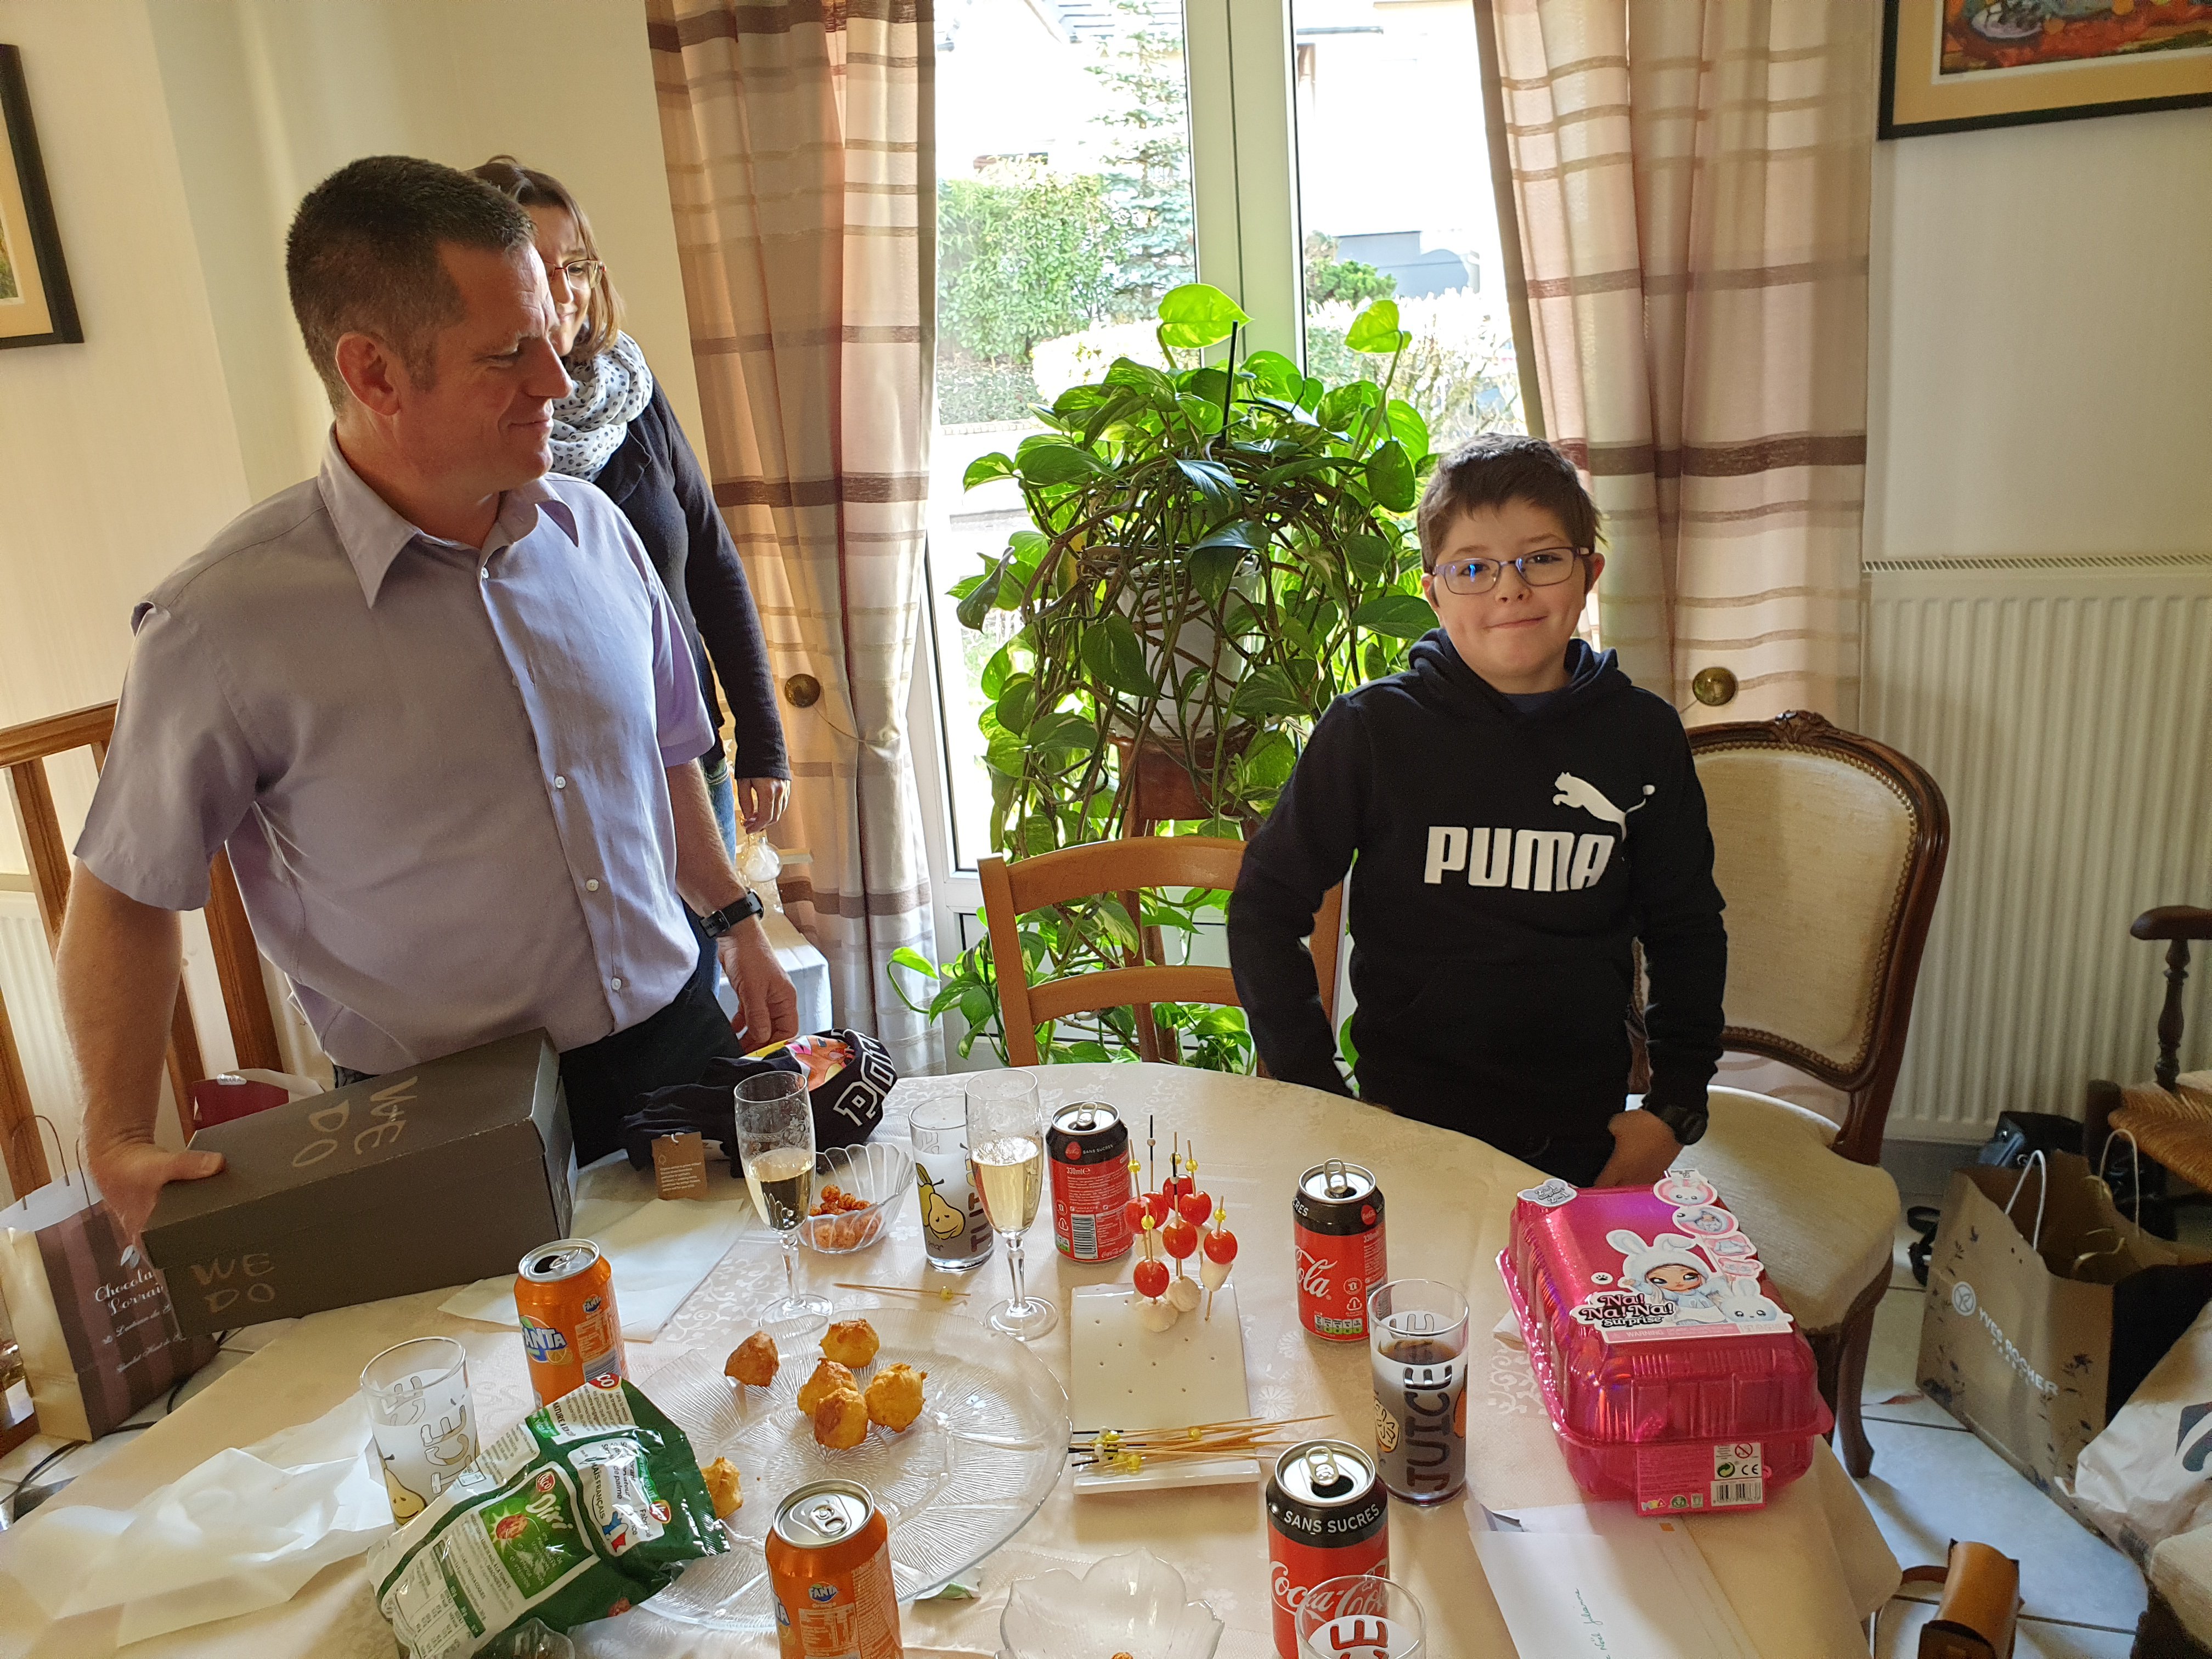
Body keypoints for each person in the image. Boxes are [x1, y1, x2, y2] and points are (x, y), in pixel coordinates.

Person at [59, 156, 800, 1239]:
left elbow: (668, 748)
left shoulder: (594, 532)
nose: (556, 379)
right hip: (446, 1121)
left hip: (676, 1045)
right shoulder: (219, 623)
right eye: (508, 354)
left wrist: (735, 921)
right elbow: (126, 888)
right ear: (374, 374)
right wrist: (117, 1130)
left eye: (548, 333)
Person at [1226, 435, 1726, 1188]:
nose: (1510, 589)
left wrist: (1676, 1107)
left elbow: (1687, 928)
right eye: (1473, 567)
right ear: (1433, 592)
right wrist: (1322, 1097)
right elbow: (1264, 908)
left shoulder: (1643, 736)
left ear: (1589, 573)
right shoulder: (1371, 731)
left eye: (1542, 558)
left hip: (1585, 1135)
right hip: (1403, 1127)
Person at [471, 156, 786, 857]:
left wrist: (762, 738)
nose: (565, 292)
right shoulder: (477, 434)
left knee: (718, 927)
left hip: (691, 764)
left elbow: (711, 561)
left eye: (575, 266)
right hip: (570, 785)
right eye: (537, 268)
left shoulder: (629, 392)